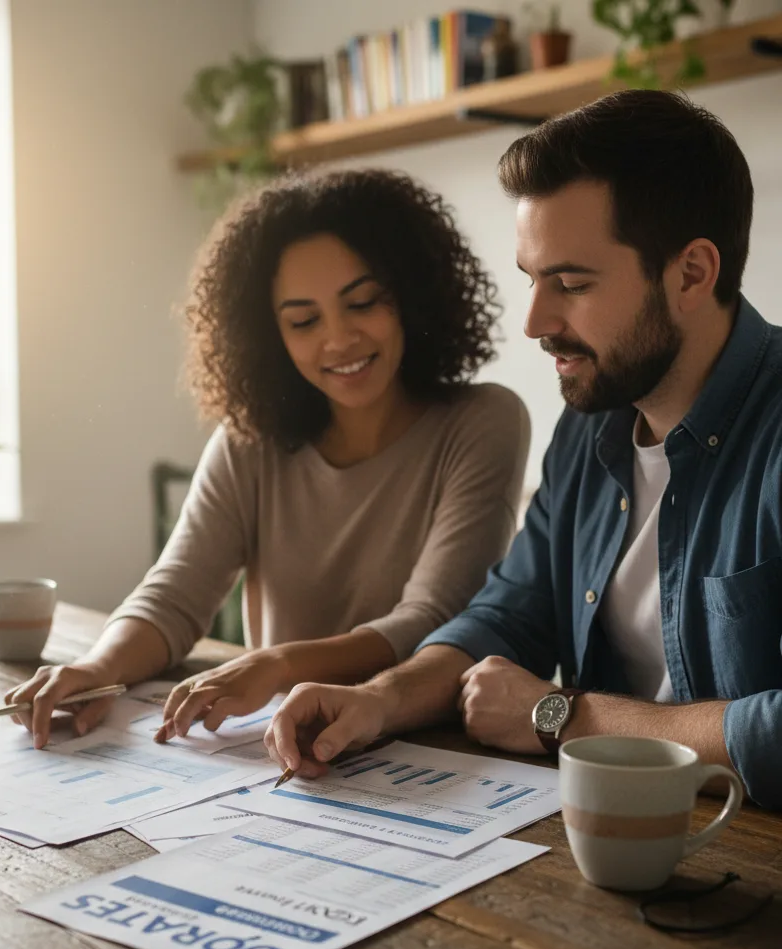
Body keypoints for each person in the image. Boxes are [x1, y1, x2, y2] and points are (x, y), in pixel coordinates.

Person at [265, 90, 782, 809]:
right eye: (532, 280)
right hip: (608, 834)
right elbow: (511, 614)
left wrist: (563, 716)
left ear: (692, 274)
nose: (536, 321)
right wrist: (381, 699)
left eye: (570, 282)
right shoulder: (590, 425)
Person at [6, 168, 529, 749]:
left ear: (410, 294)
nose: (339, 339)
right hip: (283, 750)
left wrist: (278, 664)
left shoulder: (483, 421)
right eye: (304, 321)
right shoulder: (249, 441)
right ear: (268, 333)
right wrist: (100, 669)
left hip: (423, 748)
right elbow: (176, 593)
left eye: (362, 302)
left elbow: (433, 620)